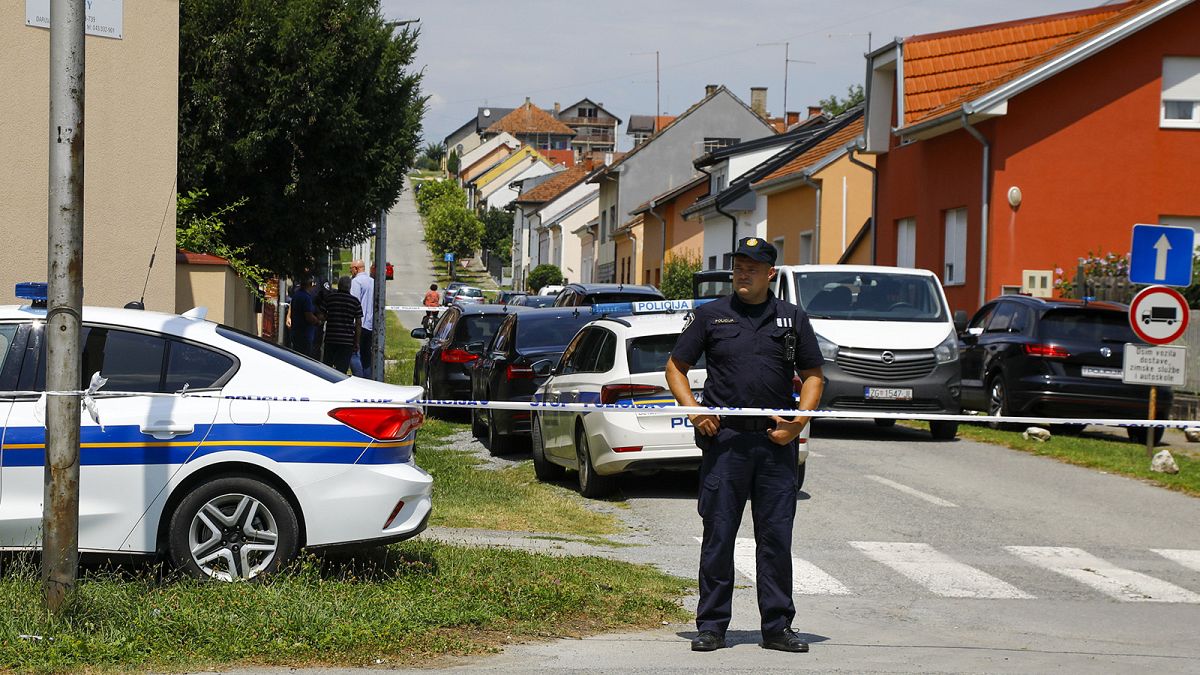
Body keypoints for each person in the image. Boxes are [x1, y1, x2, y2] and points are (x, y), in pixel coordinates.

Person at [665, 237, 825, 654]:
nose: (742, 273)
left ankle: (776, 626)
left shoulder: (791, 318)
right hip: (726, 442)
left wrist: (797, 423)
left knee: (775, 539)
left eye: (752, 267)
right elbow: (676, 367)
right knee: (718, 536)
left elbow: (813, 375)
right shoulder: (711, 316)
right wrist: (695, 411)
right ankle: (712, 626)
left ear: (770, 273)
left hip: (775, 444)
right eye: (738, 266)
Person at [320, 276, 363, 373]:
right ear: (349, 287)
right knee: (342, 370)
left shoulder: (330, 298)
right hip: (347, 341)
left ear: (339, 286)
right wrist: (356, 341)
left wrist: (330, 317)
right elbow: (358, 324)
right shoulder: (355, 302)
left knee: (327, 368)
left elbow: (321, 316)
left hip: (331, 338)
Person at [349, 260, 375, 377]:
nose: (351, 271)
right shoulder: (373, 282)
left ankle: (359, 379)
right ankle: (368, 380)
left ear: (356, 268)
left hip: (359, 323)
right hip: (371, 324)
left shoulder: (356, 282)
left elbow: (354, 302)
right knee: (367, 356)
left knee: (354, 353)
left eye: (351, 269)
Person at [288, 277, 322, 358]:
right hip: (305, 334)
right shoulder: (306, 298)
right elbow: (308, 316)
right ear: (310, 285)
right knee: (304, 358)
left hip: (295, 332)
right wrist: (317, 321)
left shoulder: (296, 295)